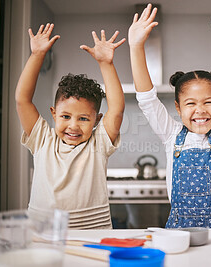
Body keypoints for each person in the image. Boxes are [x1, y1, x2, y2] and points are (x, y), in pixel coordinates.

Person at [128, 4, 211, 228]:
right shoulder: (171, 135)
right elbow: (147, 99)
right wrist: (136, 46)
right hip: (180, 228)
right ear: (178, 108)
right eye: (190, 104)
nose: (200, 110)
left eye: (209, 102)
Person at [15, 23, 126, 229]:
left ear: (97, 120)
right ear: (54, 114)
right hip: (43, 233)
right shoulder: (42, 139)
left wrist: (105, 63)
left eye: (83, 119)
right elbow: (22, 99)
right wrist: (37, 55)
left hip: (92, 232)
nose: (73, 126)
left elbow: (117, 108)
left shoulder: (98, 143)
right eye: (66, 116)